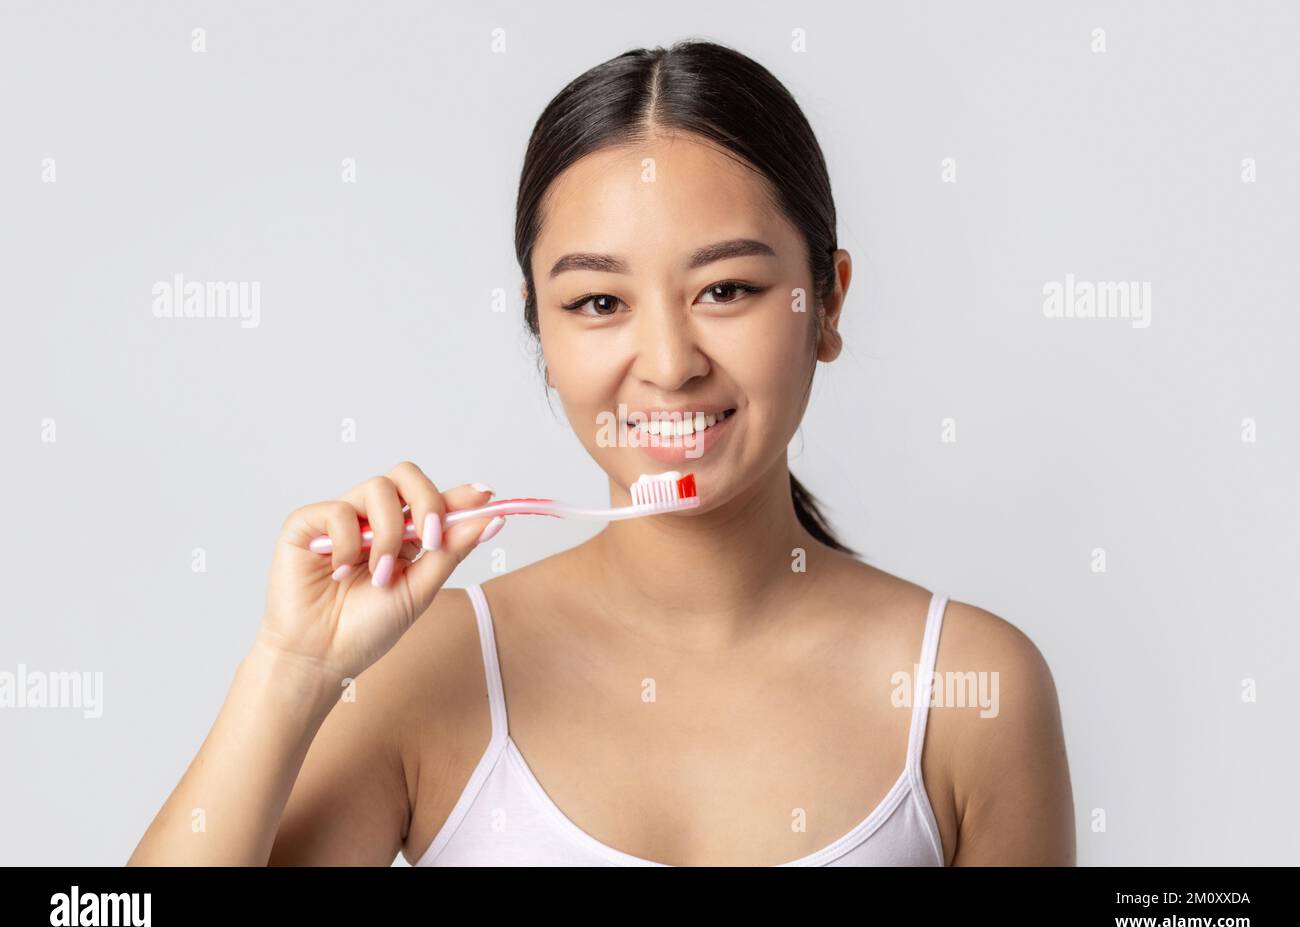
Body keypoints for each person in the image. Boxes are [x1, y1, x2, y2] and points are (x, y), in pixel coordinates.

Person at [130, 39, 1074, 867]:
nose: (668, 364)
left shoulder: (971, 690)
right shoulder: (430, 669)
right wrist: (292, 671)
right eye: (598, 303)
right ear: (540, 329)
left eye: (728, 289)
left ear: (826, 303)